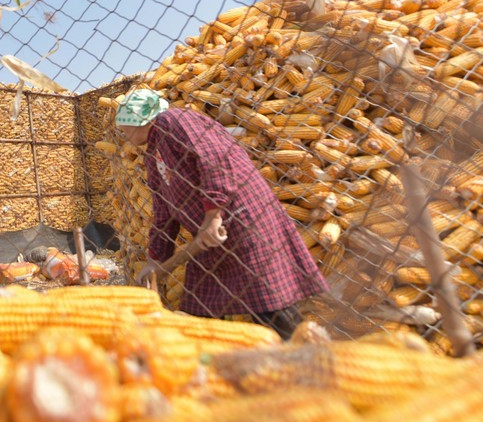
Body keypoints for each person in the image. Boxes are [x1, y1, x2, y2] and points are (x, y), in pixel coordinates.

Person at [116, 88, 327, 339]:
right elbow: (163, 210)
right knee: (199, 306)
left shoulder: (174, 121)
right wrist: (155, 259)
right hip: (208, 237)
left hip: (240, 219)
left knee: (268, 301)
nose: (124, 133)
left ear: (138, 120)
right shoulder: (153, 152)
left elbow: (214, 160)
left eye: (125, 126)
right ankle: (204, 359)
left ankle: (306, 350)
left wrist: (213, 215)